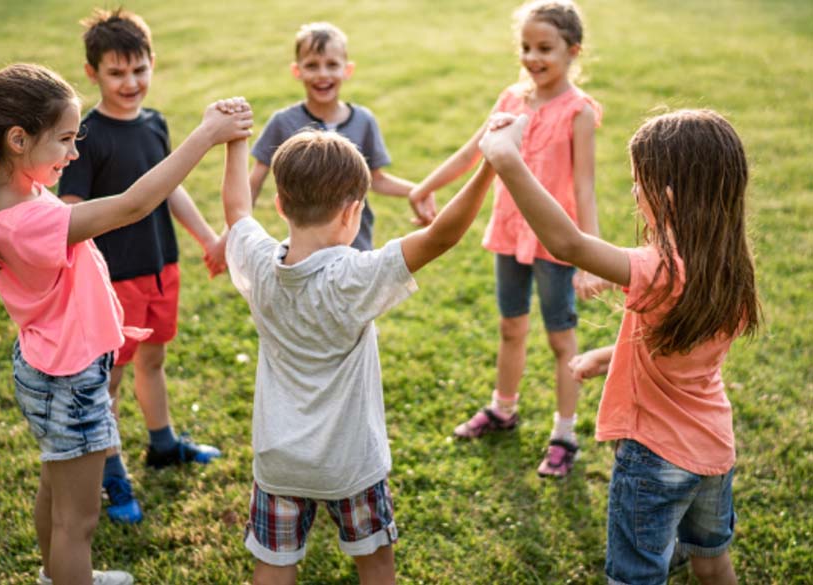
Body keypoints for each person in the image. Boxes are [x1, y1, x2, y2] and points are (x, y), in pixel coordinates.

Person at [0, 62, 251, 584]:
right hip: (70, 379)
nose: (74, 152)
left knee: (55, 491)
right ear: (18, 140)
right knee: (77, 522)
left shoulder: (11, 190)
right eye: (63, 140)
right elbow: (134, 204)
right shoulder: (31, 221)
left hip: (47, 365)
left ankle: (55, 577)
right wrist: (207, 135)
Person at [480, 109, 760, 585]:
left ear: (666, 197)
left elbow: (567, 244)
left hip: (654, 458)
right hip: (714, 450)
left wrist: (507, 159)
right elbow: (686, 348)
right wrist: (609, 358)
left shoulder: (659, 268)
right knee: (711, 562)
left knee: (635, 577)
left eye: (638, 184)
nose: (634, 195)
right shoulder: (730, 266)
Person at [221, 127, 497, 585]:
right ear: (353, 212)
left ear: (281, 205)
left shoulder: (259, 263)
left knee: (273, 565)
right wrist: (490, 166)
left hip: (277, 460)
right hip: (350, 463)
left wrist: (235, 140)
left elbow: (235, 212)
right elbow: (441, 237)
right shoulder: (352, 278)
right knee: (375, 565)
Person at [411, 0, 602, 477]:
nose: (533, 58)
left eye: (545, 48)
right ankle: (504, 408)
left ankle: (564, 433)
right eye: (525, 47)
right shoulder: (510, 100)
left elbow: (584, 187)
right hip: (508, 233)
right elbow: (470, 153)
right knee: (510, 327)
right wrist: (425, 186)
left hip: (555, 242)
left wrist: (591, 257)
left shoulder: (578, 111)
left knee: (562, 341)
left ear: (572, 51)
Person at [59, 8, 225, 525]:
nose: (130, 83)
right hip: (114, 280)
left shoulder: (155, 123)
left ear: (153, 63)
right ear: (93, 73)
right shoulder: (85, 137)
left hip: (160, 266)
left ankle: (163, 443)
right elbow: (69, 213)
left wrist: (208, 236)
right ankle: (112, 476)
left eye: (139, 70)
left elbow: (169, 187)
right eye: (116, 73)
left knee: (153, 363)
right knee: (108, 382)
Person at [248, 21, 436, 252]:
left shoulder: (363, 121)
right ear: (297, 70)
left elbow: (376, 180)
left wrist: (420, 189)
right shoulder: (283, 122)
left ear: (347, 70)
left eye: (332, 65)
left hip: (355, 248)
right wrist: (233, 233)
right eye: (312, 65)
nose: (323, 74)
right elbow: (254, 181)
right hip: (304, 251)